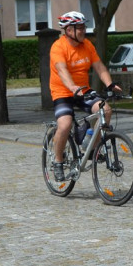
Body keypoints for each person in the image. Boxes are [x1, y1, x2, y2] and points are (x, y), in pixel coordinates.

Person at [47, 11, 122, 182]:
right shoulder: (58, 47)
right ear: (68, 30)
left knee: (106, 110)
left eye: (83, 27)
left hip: (83, 90)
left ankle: (91, 147)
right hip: (62, 92)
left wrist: (109, 84)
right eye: (79, 28)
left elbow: (100, 67)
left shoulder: (87, 45)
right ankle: (58, 161)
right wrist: (72, 86)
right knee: (65, 124)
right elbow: (61, 70)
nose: (83, 30)